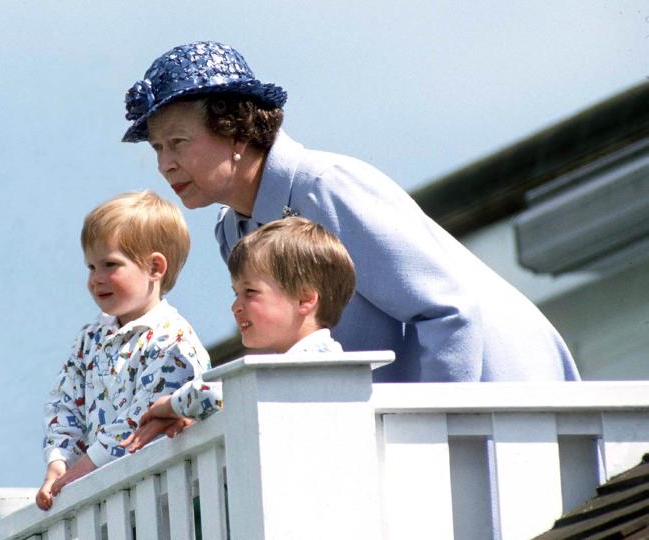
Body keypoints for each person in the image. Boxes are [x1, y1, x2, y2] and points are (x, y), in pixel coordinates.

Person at [120, 40, 579, 383]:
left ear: (235, 130)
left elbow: (448, 310)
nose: (165, 164)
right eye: (158, 148)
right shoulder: (234, 230)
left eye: (178, 142)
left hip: (505, 397)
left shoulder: (326, 186)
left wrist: (430, 439)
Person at [121, 216, 357, 453]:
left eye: (250, 292)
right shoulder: (296, 365)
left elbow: (220, 393)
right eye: (236, 293)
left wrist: (170, 405)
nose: (236, 306)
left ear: (305, 299)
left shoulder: (314, 360)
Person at [37, 190, 210, 511]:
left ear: (155, 267)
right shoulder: (91, 337)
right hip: (104, 500)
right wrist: (59, 462)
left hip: (164, 498)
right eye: (91, 266)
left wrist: (85, 468)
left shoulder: (172, 339)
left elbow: (144, 416)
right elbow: (64, 401)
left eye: (110, 264)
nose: (96, 279)